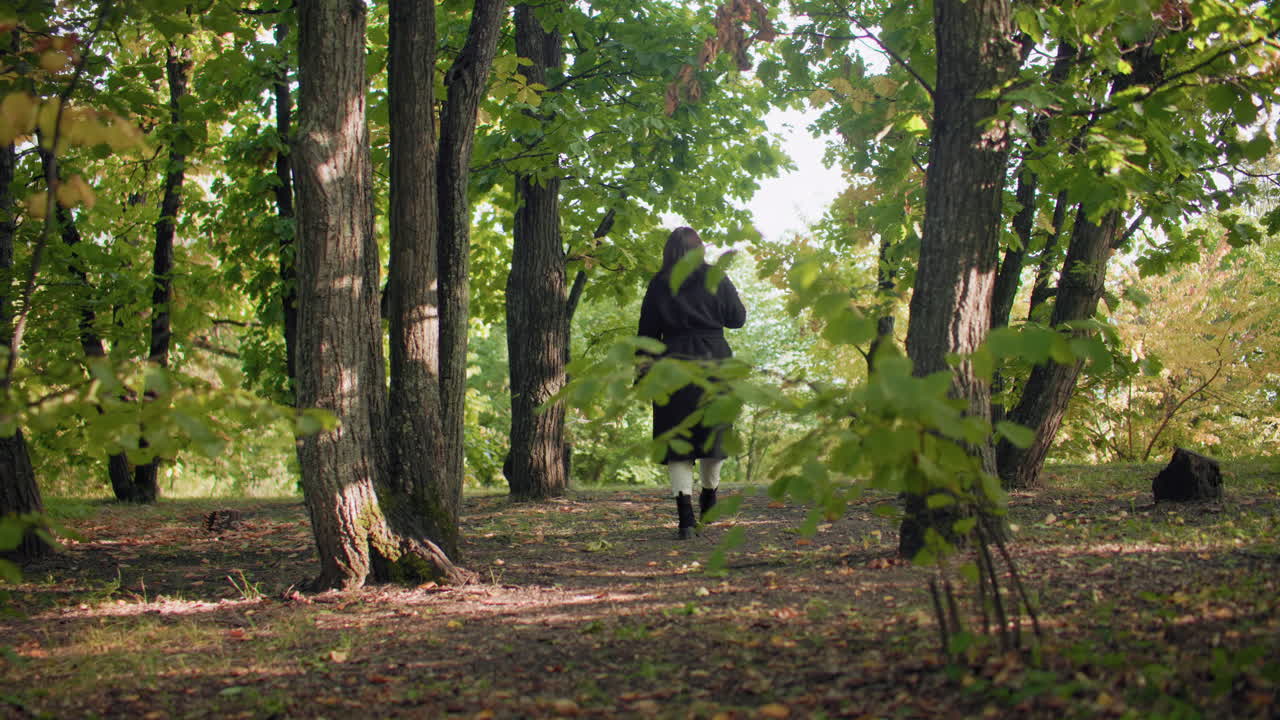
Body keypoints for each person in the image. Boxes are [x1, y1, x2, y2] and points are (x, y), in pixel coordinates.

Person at [637, 227, 746, 539]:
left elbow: (646, 333)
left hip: (671, 365)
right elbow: (737, 319)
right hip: (715, 363)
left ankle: (685, 518)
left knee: (677, 444)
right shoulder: (716, 277)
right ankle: (709, 497)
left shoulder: (659, 283)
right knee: (714, 436)